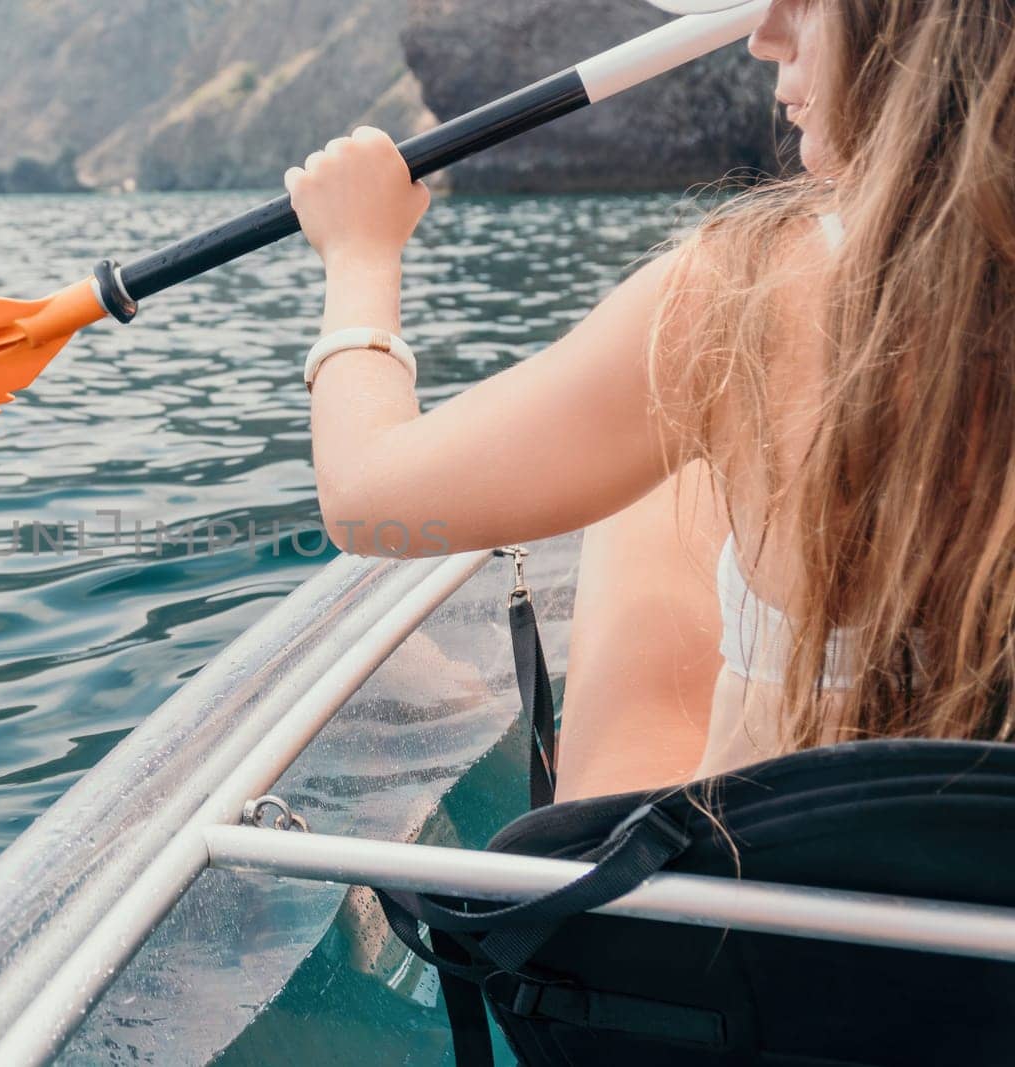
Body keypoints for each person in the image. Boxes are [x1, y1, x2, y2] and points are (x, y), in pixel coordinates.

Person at [284, 0, 1015, 799]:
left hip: (744, 906)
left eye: (804, 0)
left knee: (665, 472)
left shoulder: (745, 296)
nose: (763, 35)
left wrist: (359, 251)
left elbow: (365, 498)